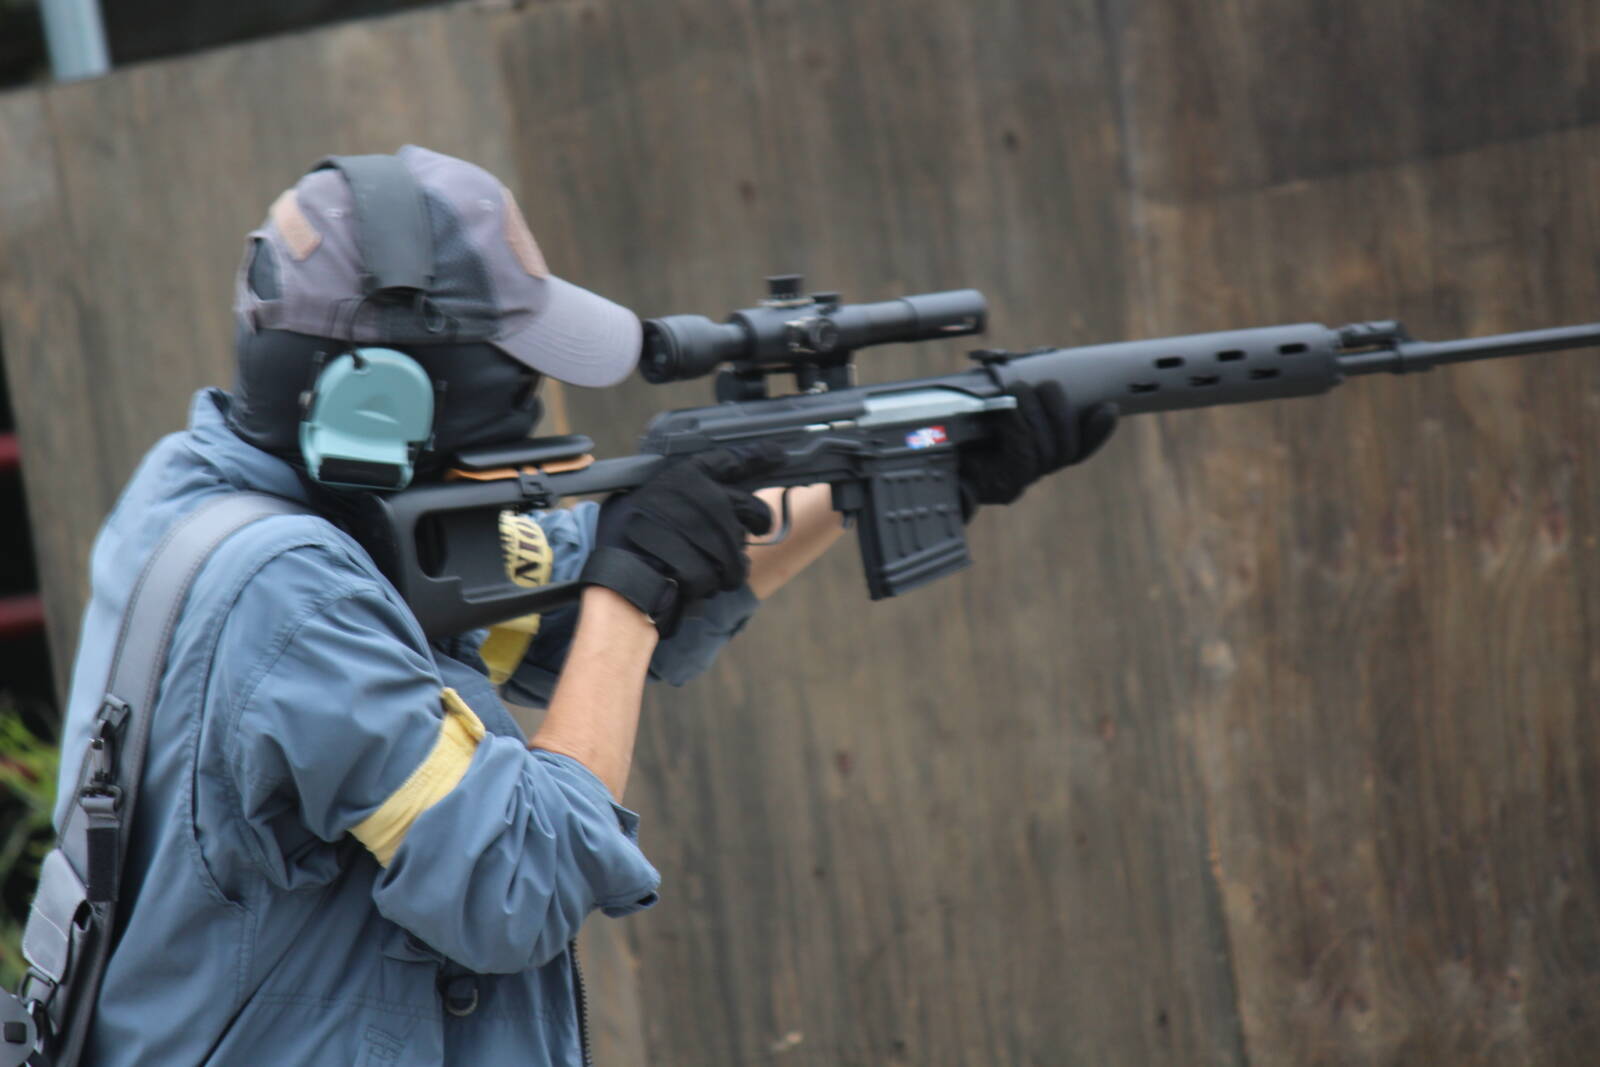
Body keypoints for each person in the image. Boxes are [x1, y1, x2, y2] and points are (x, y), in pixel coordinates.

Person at [46, 146, 1110, 1065]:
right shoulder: (290, 592)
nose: (536, 401)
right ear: (383, 405)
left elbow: (573, 586)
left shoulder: (218, 493)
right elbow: (515, 882)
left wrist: (905, 466)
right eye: (514, 375)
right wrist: (628, 595)